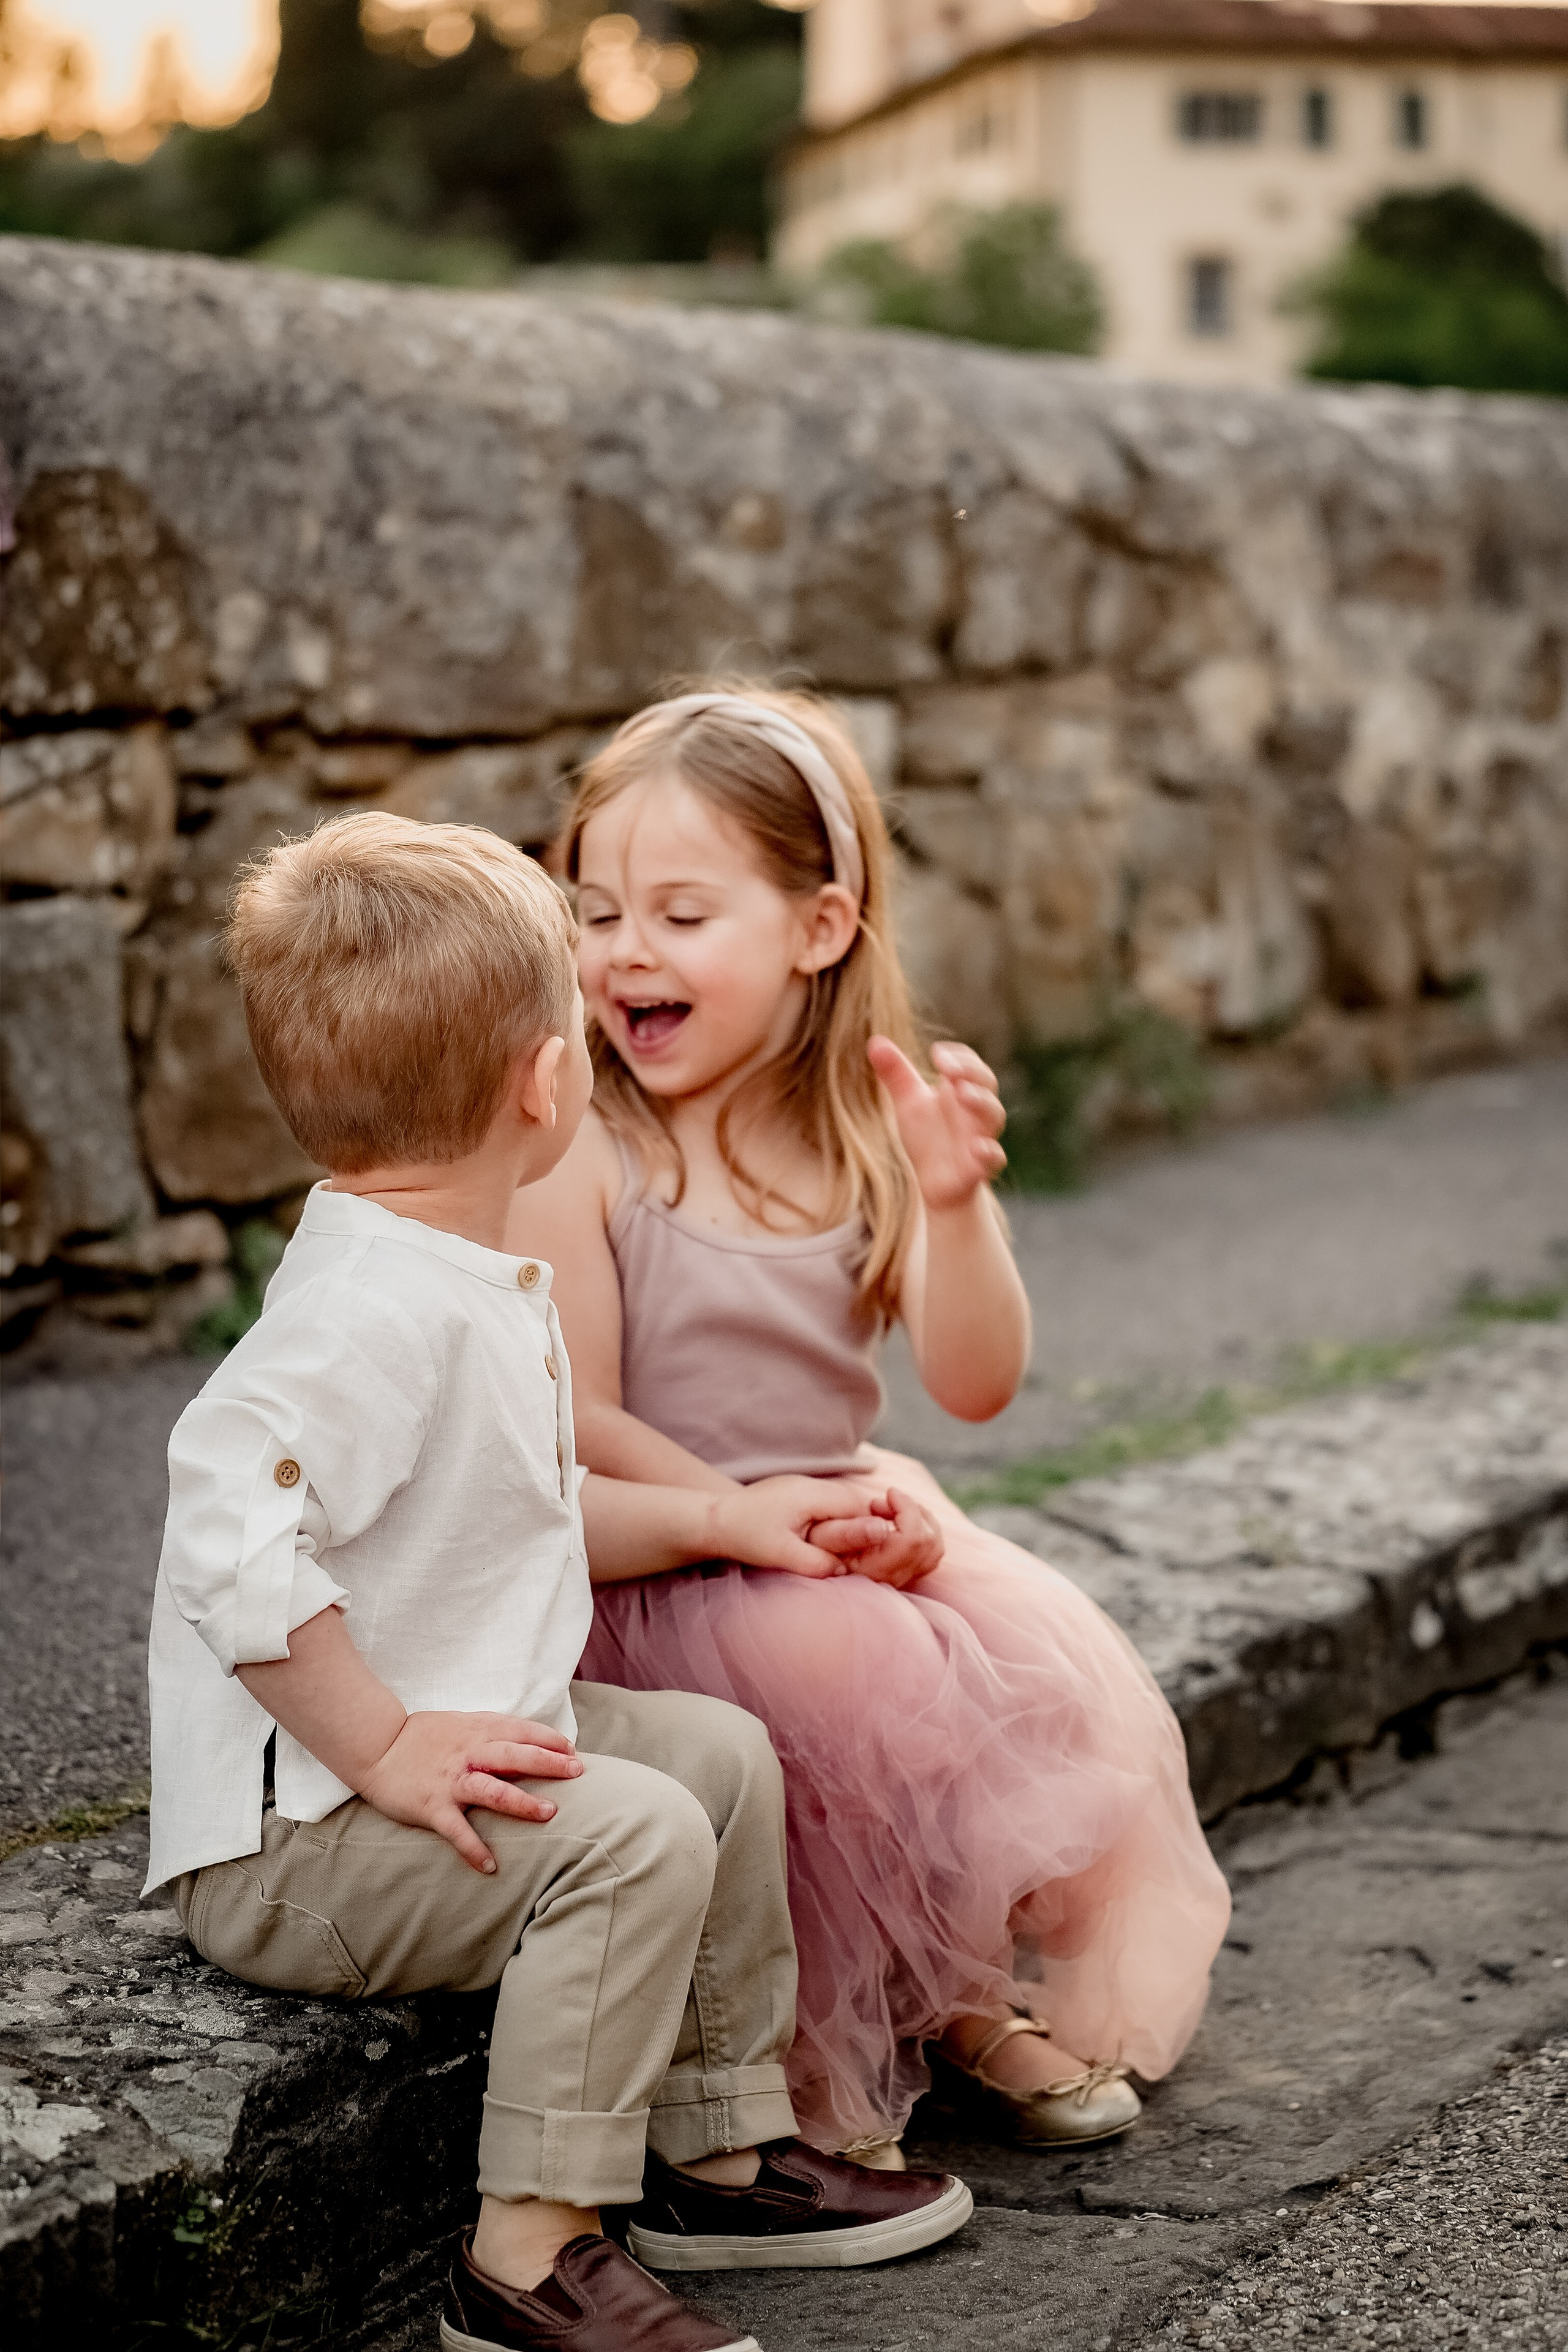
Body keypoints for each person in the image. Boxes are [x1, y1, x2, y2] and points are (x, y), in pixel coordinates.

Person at [145, 810, 974, 2352]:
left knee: (713, 1756)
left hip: (403, 1762)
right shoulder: (364, 1315)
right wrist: (384, 1743)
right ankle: (525, 2246)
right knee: (631, 1833)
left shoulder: (454, 1274)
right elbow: (224, 1532)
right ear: (547, 1086)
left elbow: (522, 1507)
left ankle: (716, 2148)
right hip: (291, 1844)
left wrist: (727, 1518)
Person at [516, 688, 1233, 2169]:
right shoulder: (585, 1143)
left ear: (819, 927)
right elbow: (572, 1421)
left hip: (833, 1520)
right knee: (841, 1665)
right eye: (595, 914)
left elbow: (973, 1382)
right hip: (653, 1549)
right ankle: (812, 2049)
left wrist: (954, 1205)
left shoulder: (862, 1125)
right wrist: (756, 1519)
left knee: (1019, 1675)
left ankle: (957, 1996)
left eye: (680, 913)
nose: (623, 952)